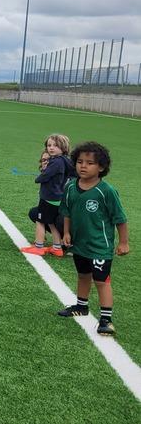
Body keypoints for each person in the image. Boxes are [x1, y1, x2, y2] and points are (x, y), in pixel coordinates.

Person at [57, 142, 129, 336]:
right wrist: (66, 233)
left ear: (101, 167)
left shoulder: (106, 191)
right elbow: (67, 213)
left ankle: (106, 319)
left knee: (101, 281)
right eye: (80, 161)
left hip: (100, 246)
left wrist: (123, 242)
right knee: (82, 275)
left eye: (89, 163)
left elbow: (120, 219)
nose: (83, 166)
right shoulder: (71, 187)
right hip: (79, 245)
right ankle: (81, 306)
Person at [22, 134, 74, 257]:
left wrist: (39, 178)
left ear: (63, 147)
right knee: (51, 222)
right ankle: (57, 247)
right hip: (57, 197)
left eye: (55, 145)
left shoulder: (56, 161)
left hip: (49, 197)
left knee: (40, 220)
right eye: (49, 145)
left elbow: (46, 175)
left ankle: (39, 246)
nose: (51, 148)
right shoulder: (66, 160)